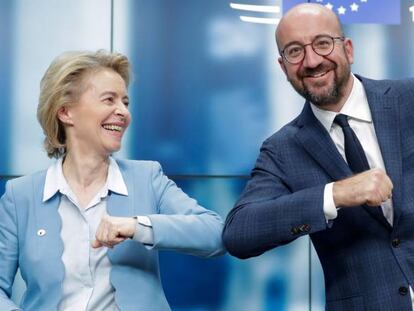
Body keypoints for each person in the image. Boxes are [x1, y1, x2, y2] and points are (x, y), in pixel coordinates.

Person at [223, 3, 414, 310]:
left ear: (348, 49)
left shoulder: (409, 100)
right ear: (283, 67)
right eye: (295, 51)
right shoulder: (283, 149)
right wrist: (334, 194)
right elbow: (239, 233)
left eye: (323, 43)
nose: (312, 61)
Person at [0, 50, 225, 311]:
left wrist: (137, 226)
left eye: (125, 103)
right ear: (65, 112)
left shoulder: (147, 178)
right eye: (109, 100)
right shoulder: (21, 196)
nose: (123, 112)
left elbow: (215, 234)